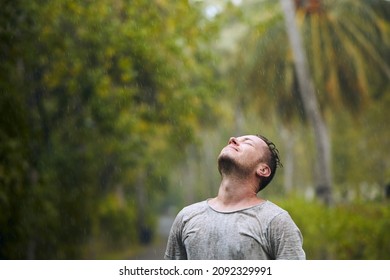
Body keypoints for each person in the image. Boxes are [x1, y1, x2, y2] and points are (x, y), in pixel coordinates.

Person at [164, 134, 306, 260]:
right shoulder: (186, 217)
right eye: (235, 140)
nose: (232, 140)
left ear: (262, 169)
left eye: (247, 142)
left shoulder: (277, 222)